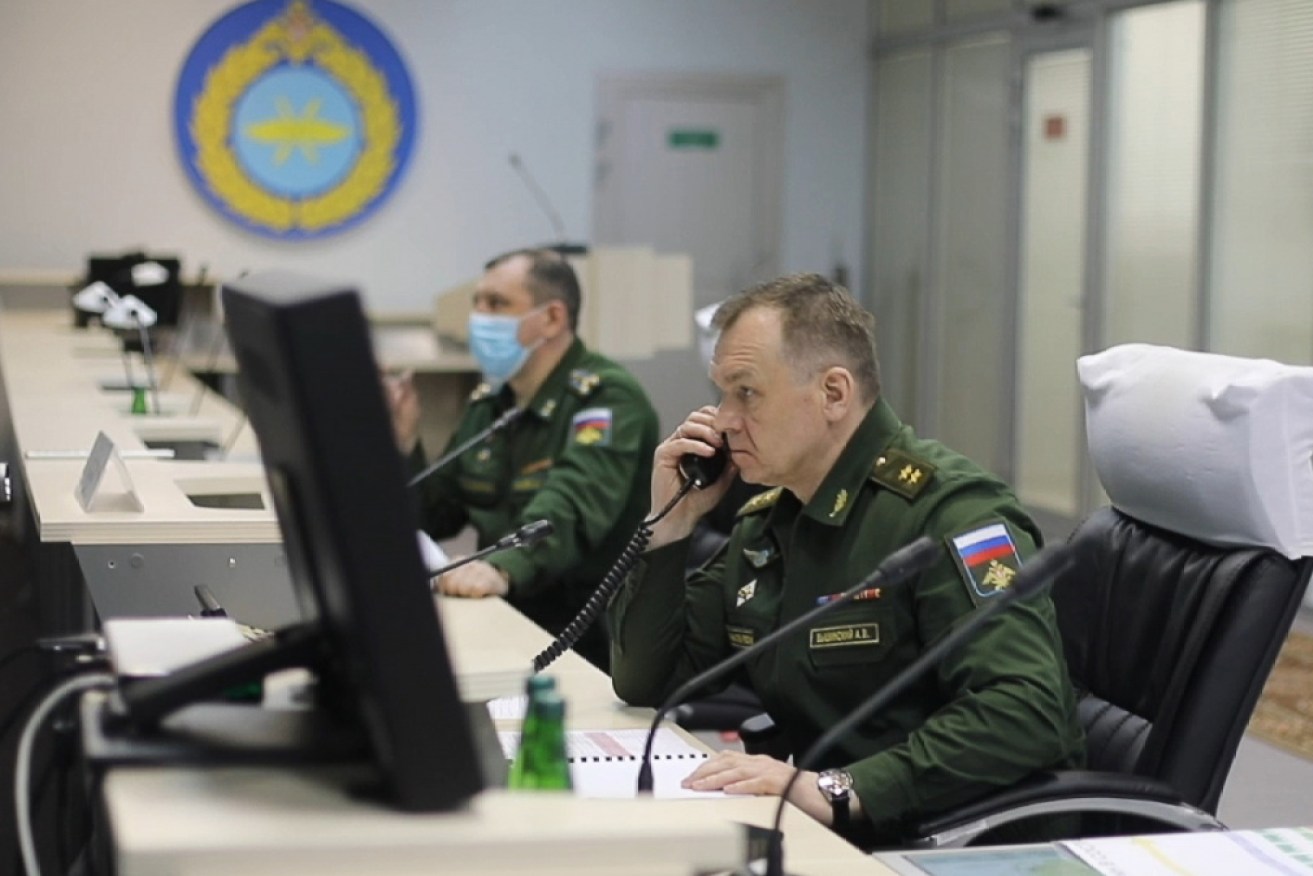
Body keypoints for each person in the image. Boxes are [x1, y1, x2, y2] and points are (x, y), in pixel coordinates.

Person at [608, 274, 1084, 845]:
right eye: (722, 394)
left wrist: (839, 788)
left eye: (746, 393)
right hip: (835, 837)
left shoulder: (952, 515)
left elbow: (1024, 711)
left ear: (834, 393)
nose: (722, 419)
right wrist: (671, 522)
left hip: (948, 841)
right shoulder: (769, 522)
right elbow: (646, 680)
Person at [391, 248, 659, 670]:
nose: (479, 317)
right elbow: (436, 515)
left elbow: (570, 506)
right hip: (502, 614)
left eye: (497, 304)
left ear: (552, 318)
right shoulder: (491, 404)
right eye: (477, 302)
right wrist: (402, 445)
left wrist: (500, 568)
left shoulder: (606, 397)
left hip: (586, 634)